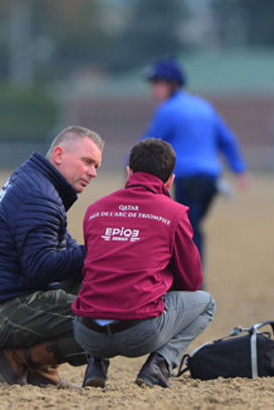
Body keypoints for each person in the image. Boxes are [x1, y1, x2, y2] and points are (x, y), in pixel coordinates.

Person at [0, 126, 104, 387]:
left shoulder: (38, 183)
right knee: (109, 316)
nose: (93, 172)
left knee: (104, 286)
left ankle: (41, 372)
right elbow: (40, 267)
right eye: (87, 162)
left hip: (0, 297)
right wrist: (99, 250)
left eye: (96, 166)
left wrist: (99, 259)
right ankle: (17, 358)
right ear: (59, 154)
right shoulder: (39, 195)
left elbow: (60, 249)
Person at [73, 138, 215, 388]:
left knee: (96, 281)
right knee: (206, 304)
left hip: (87, 334)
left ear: (129, 172)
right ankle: (158, 366)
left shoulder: (95, 210)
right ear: (170, 179)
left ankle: (95, 364)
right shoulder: (174, 213)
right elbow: (192, 281)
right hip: (139, 334)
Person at [140, 57, 249, 265]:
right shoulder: (205, 107)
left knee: (186, 232)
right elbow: (227, 139)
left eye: (157, 84)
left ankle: (192, 283)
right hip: (211, 180)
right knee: (191, 227)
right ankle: (194, 280)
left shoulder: (168, 110)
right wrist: (239, 170)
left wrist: (131, 165)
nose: (153, 90)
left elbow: (148, 144)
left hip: (188, 179)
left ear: (173, 84)